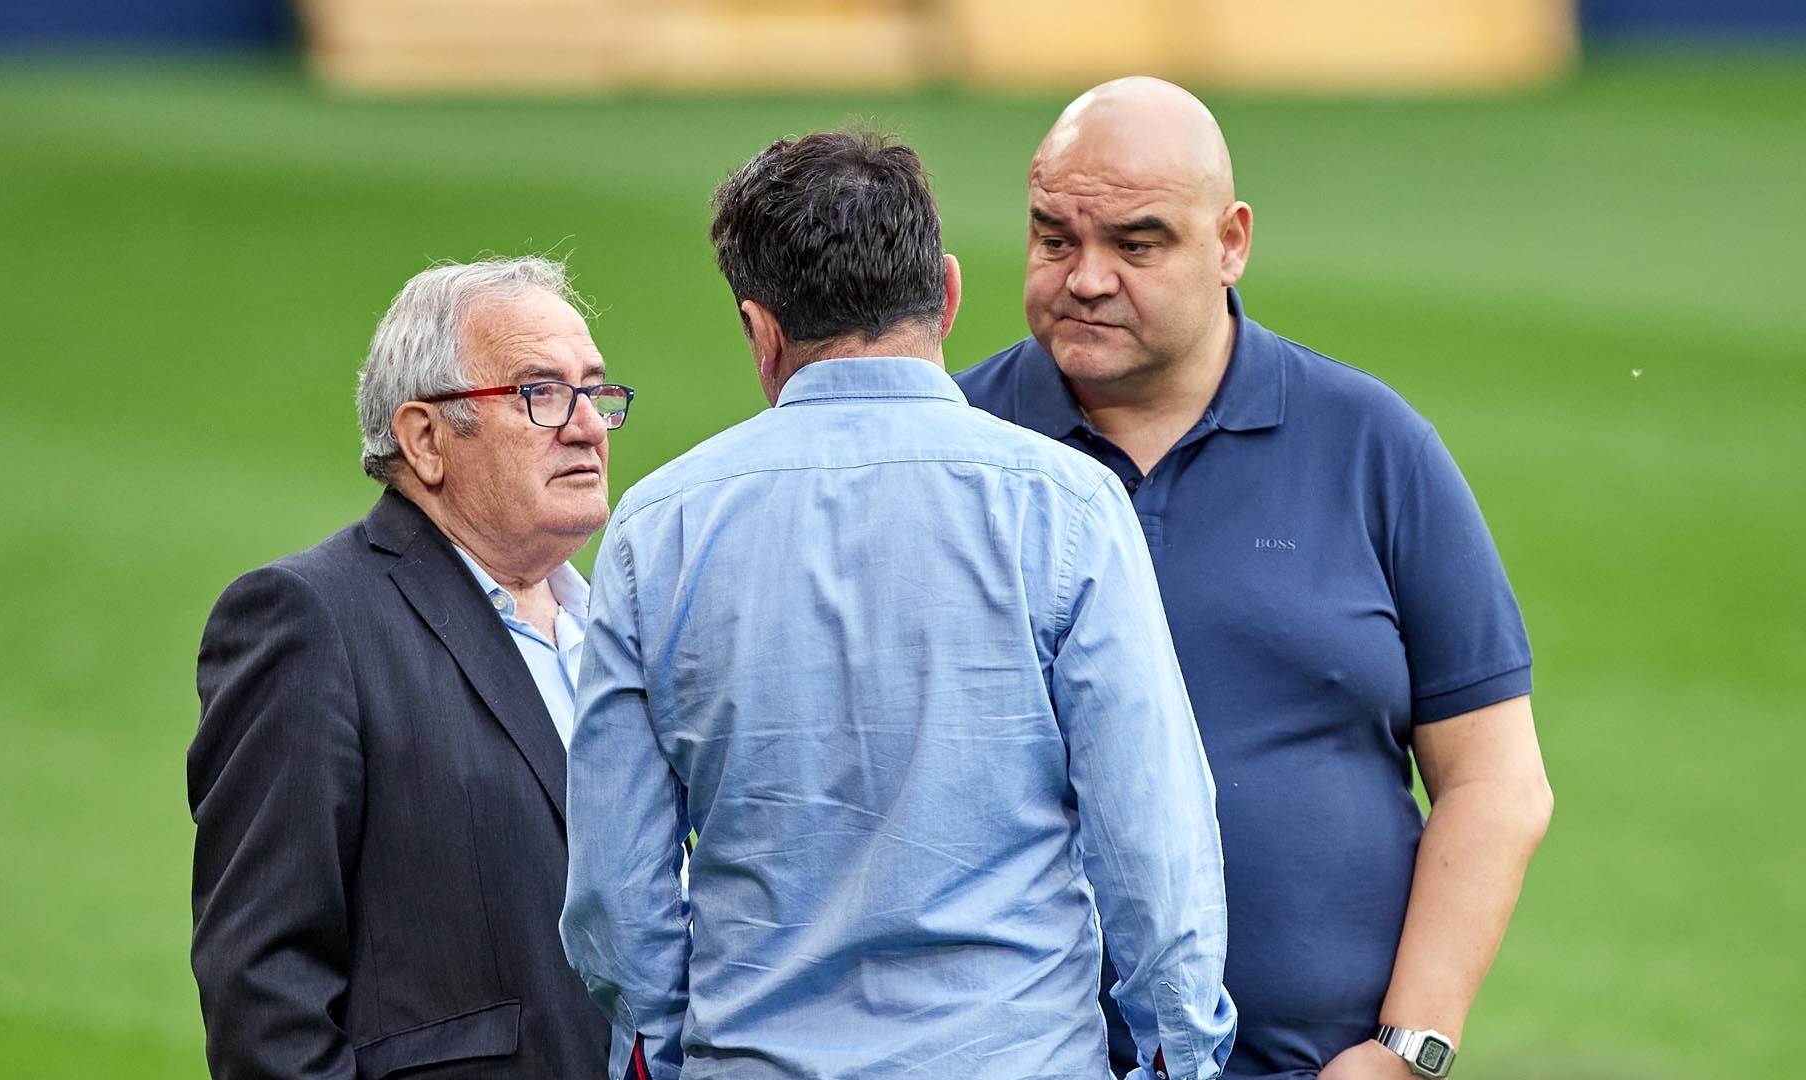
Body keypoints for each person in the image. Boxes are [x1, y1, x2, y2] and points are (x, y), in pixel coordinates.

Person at [559, 130, 1234, 1080]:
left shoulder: (657, 528)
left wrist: (674, 1055)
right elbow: (1153, 837)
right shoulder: (1068, 506)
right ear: (949, 292)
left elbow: (616, 888)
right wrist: (1181, 1054)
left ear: (761, 328)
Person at [955, 78, 1555, 1080]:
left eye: (1136, 244)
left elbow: (1496, 779)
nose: (1086, 277)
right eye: (1055, 238)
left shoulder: (1373, 447)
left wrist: (1405, 1051)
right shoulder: (952, 452)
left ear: (1230, 243)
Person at [188, 257, 631, 1079]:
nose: (588, 427)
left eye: (596, 393)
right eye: (540, 393)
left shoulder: (617, 625)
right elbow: (264, 994)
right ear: (425, 437)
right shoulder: (311, 621)